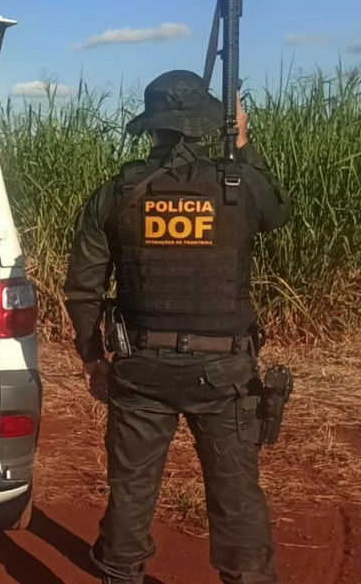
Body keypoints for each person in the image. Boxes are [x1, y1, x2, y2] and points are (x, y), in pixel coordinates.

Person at [63, 70, 291, 584]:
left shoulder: (117, 191)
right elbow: (279, 214)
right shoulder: (241, 183)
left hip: (141, 367)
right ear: (207, 125)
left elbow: (83, 289)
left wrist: (92, 357)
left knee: (131, 490)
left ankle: (121, 574)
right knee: (235, 494)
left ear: (154, 128)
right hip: (225, 369)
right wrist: (244, 146)